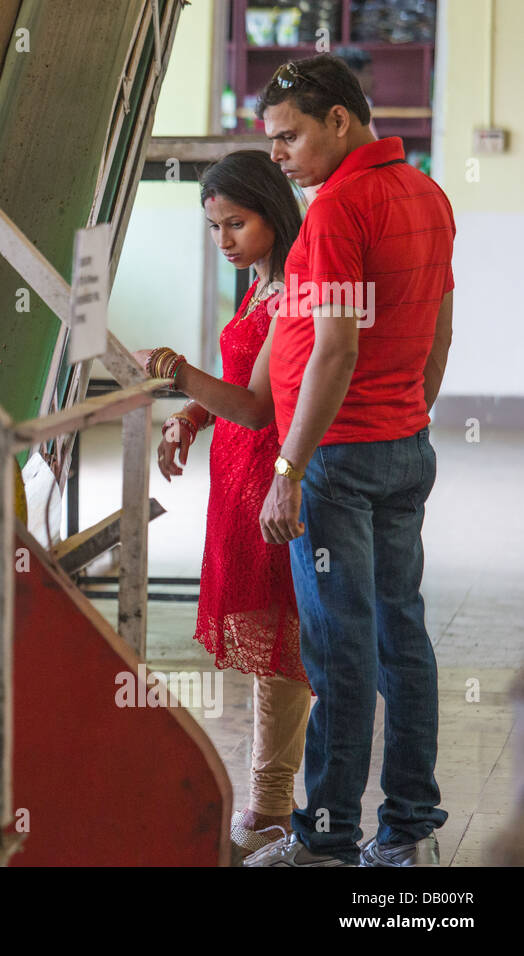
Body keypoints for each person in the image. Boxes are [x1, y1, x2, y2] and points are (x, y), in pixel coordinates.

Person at [238, 54, 456, 867]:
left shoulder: (338, 210)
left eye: (290, 137)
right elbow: (439, 327)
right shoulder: (427, 193)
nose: (280, 157)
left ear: (340, 120)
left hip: (335, 458)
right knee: (403, 634)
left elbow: (334, 347)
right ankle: (405, 829)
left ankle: (324, 837)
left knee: (339, 645)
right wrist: (414, 412)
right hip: (403, 447)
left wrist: (290, 468)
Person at [133, 150, 310, 864]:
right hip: (237, 480)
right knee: (271, 644)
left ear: (274, 211)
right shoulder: (259, 285)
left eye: (236, 223)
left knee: (282, 647)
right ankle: (271, 804)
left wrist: (176, 373)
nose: (224, 240)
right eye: (214, 228)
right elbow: (233, 386)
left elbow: (255, 401)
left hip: (271, 476)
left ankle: (271, 808)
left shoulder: (294, 287)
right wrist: (188, 419)